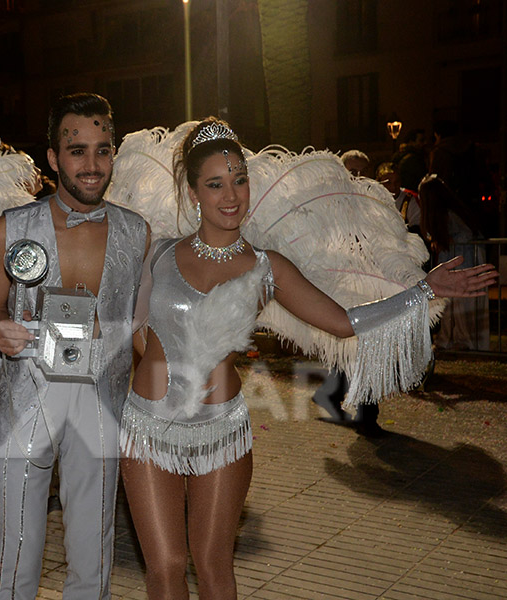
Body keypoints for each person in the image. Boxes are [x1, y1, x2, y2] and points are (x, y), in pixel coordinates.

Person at [119, 117, 497, 599]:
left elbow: (343, 321)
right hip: (148, 429)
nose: (230, 195)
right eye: (214, 184)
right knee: (166, 568)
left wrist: (423, 290)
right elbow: (132, 327)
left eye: (238, 180)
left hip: (220, 432)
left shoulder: (267, 267)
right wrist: (156, 372)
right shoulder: (158, 253)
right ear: (193, 193)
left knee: (213, 566)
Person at [0, 92, 150, 599]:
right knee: (16, 546)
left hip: (102, 398)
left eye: (103, 150)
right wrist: (2, 330)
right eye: (77, 150)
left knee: (93, 548)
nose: (92, 164)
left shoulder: (137, 232)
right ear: (54, 157)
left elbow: (142, 329)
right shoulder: (7, 230)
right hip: (26, 394)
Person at [419, 174, 489, 350]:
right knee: (451, 302)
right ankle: (450, 337)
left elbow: (466, 236)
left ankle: (462, 340)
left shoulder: (449, 215)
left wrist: (450, 241)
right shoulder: (449, 213)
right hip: (457, 260)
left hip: (462, 261)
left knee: (460, 302)